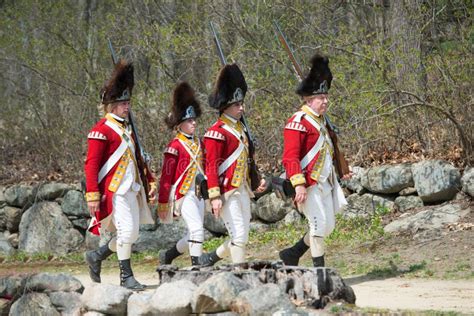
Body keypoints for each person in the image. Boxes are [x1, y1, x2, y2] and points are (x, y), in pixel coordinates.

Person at [84, 60, 157, 290]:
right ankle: (126, 277)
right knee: (126, 231)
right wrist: (92, 194)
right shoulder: (101, 130)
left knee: (132, 233)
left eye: (128, 102)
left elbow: (138, 159)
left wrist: (151, 182)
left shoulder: (127, 129)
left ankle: (97, 256)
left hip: (131, 188)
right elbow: (92, 165)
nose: (127, 106)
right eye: (122, 103)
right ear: (111, 105)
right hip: (114, 190)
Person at [280, 54, 352, 267]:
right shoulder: (298, 122)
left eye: (326, 96)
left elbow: (330, 150)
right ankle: (319, 275)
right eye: (321, 97)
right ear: (308, 99)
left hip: (326, 182)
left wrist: (342, 168)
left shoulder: (321, 122)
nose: (326, 100)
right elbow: (290, 157)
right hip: (308, 184)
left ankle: (292, 253)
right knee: (319, 226)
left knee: (327, 226)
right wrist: (298, 183)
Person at [199, 64, 266, 266]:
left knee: (242, 235)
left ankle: (210, 258)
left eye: (241, 103)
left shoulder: (240, 129)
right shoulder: (216, 132)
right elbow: (211, 166)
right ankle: (238, 274)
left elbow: (247, 160)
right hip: (226, 191)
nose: (241, 108)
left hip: (242, 189)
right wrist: (214, 196)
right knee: (238, 235)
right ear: (225, 106)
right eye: (237, 105)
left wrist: (255, 181)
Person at [157, 82, 205, 266]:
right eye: (188, 120)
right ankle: (197, 266)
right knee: (197, 231)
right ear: (179, 125)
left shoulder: (200, 143)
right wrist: (163, 203)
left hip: (200, 193)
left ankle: (169, 255)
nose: (193, 123)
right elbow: (166, 178)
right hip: (183, 195)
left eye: (194, 120)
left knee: (192, 234)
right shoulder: (174, 146)